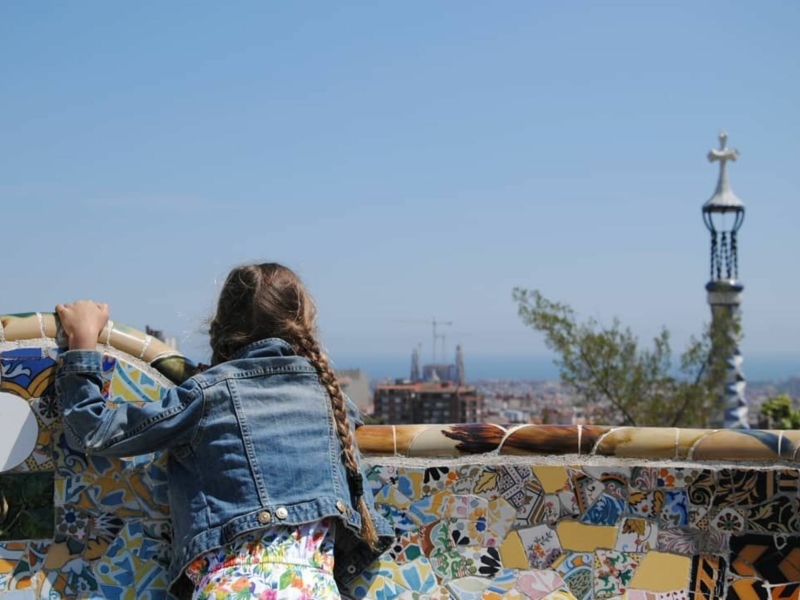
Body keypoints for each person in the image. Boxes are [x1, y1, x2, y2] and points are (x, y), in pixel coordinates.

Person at [55, 262, 394, 599]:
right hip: (313, 589)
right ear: (305, 324)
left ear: (220, 325)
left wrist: (82, 341)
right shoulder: (331, 399)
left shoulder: (207, 395)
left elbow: (94, 430)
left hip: (231, 588)